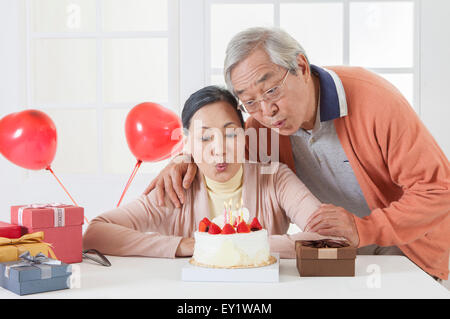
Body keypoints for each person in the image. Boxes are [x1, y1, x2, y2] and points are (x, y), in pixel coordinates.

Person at [143, 27, 450, 280]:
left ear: (301, 67)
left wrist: (365, 228)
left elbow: (439, 189)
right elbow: (222, 149)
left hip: (412, 251)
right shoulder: (262, 126)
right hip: (342, 251)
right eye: (249, 101)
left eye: (272, 90)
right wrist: (183, 159)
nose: (266, 110)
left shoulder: (374, 102)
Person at [82, 86, 335, 258]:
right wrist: (184, 246)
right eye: (205, 138)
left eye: (230, 133)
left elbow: (329, 239)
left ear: (245, 136)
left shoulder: (275, 177)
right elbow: (96, 233)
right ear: (187, 144)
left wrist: (233, 246)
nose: (219, 149)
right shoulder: (175, 188)